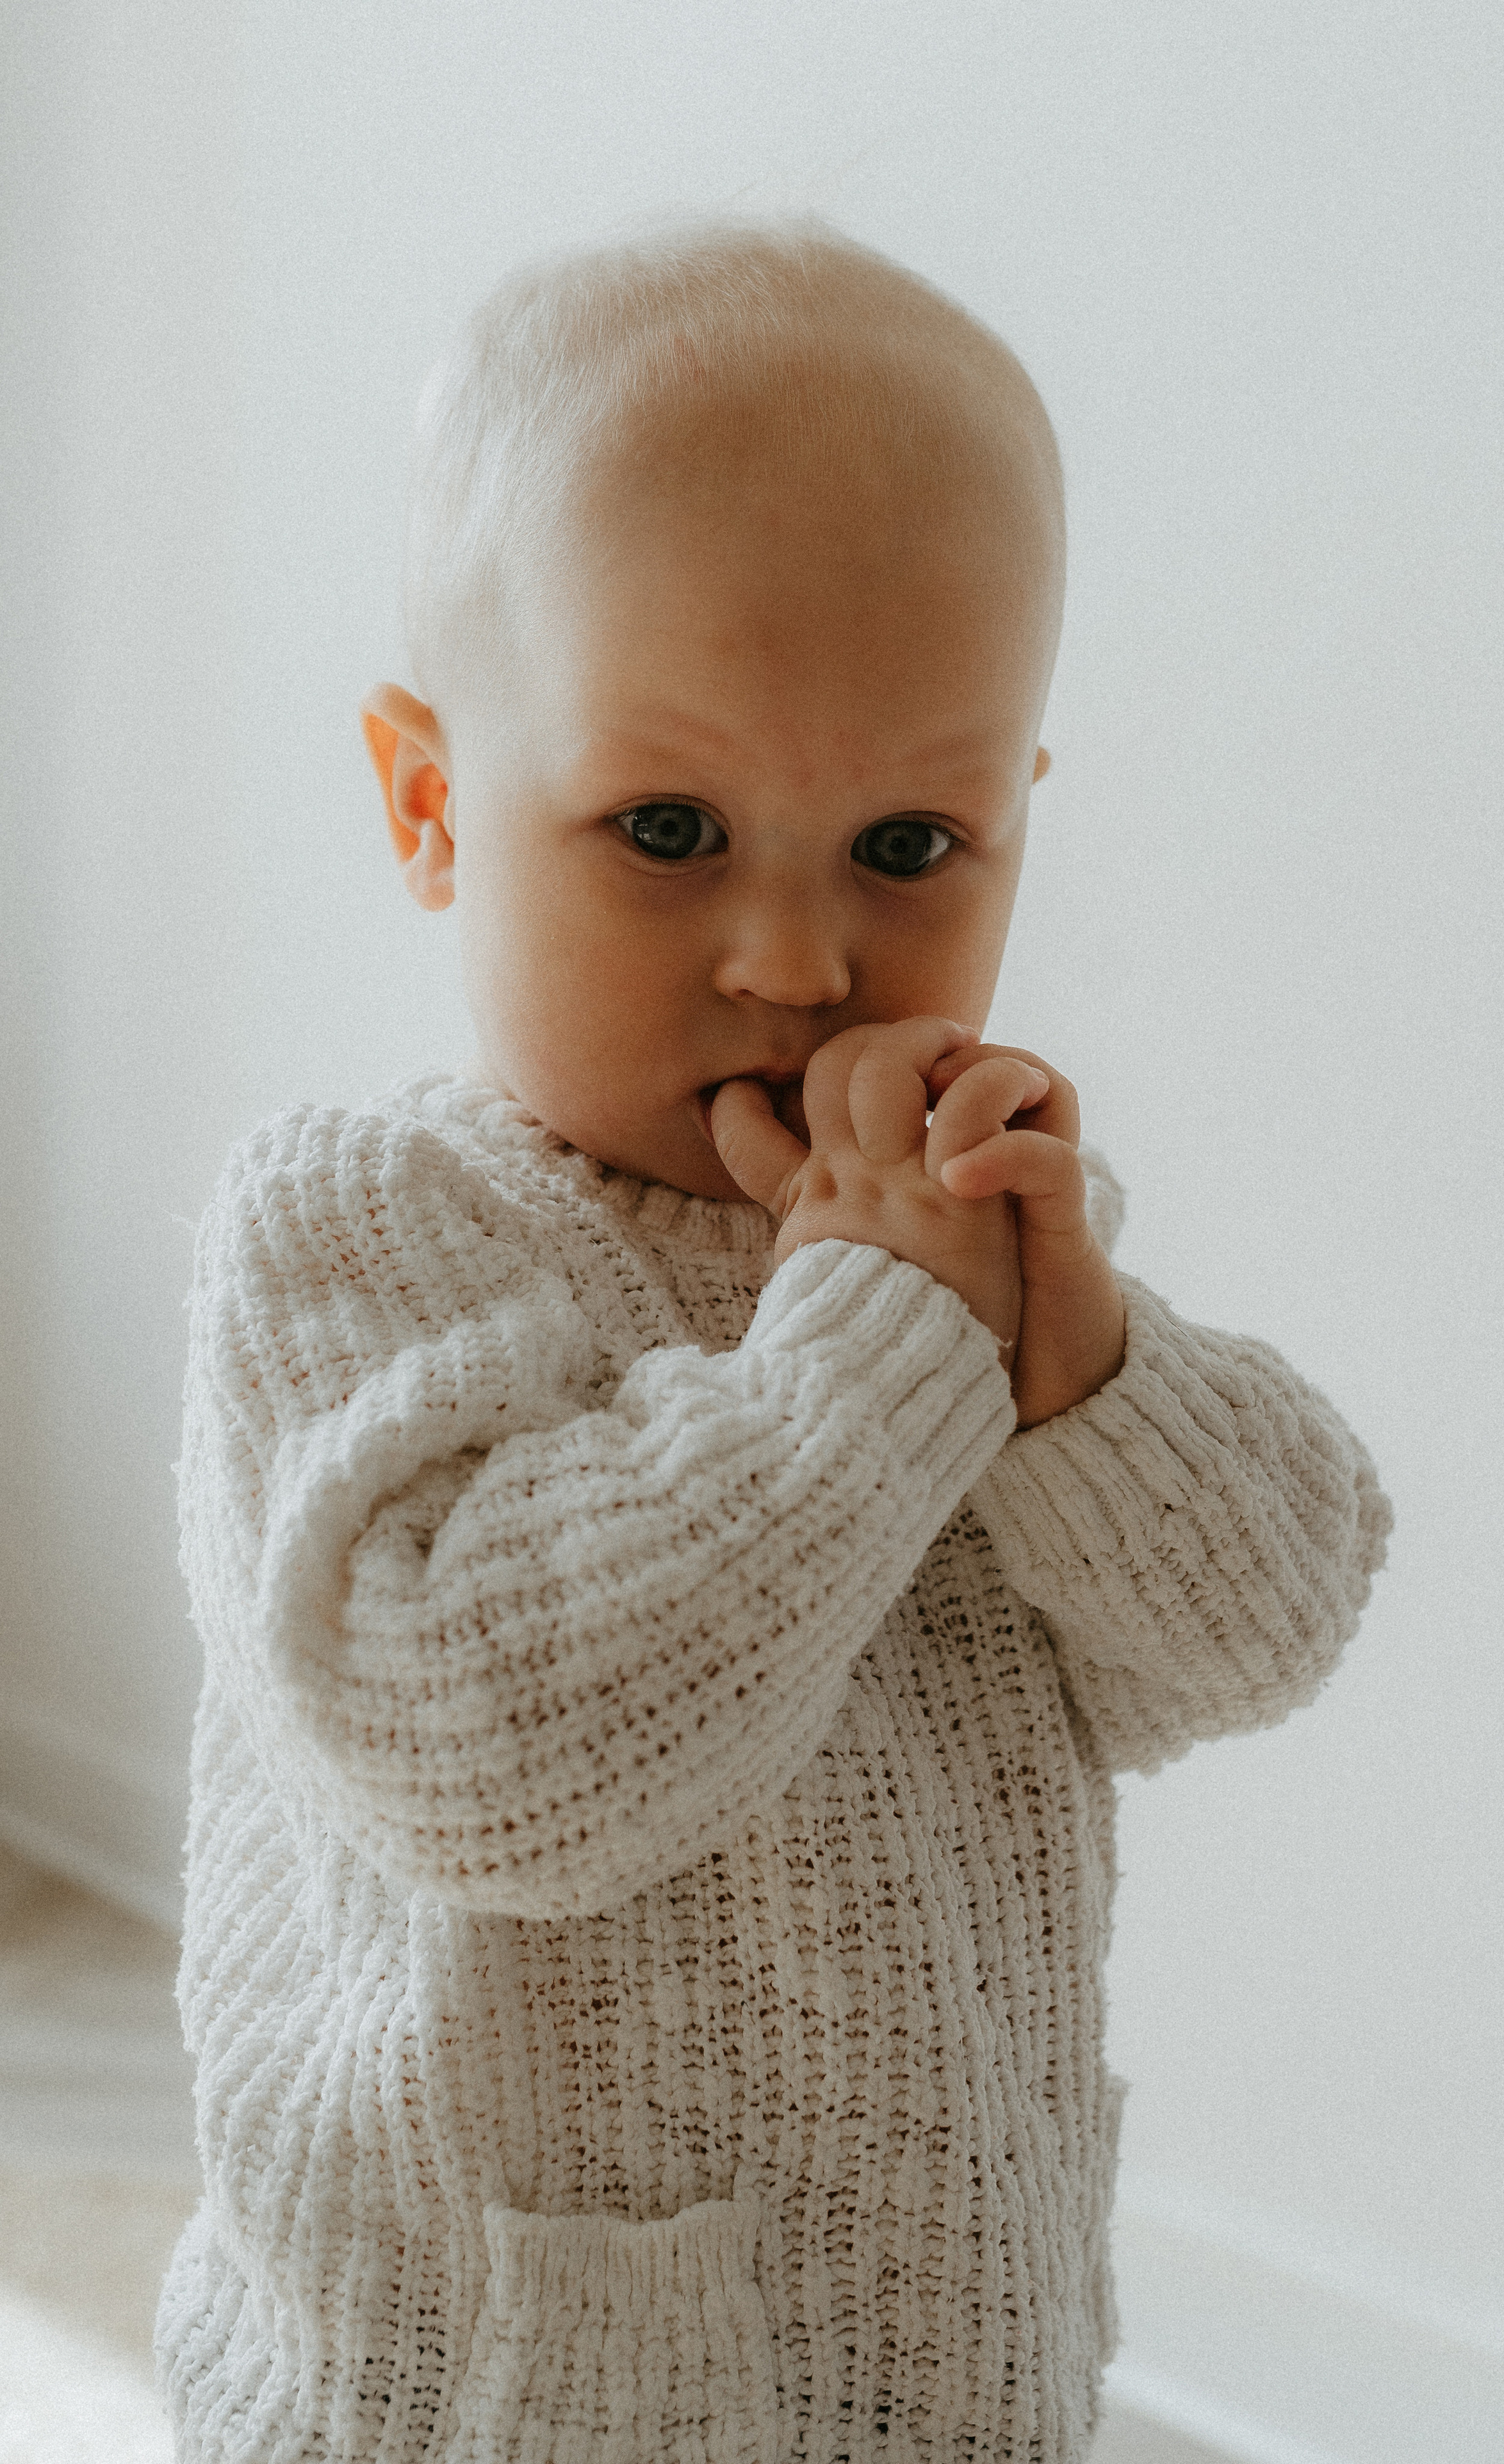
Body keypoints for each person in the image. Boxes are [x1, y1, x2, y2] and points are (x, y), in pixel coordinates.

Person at [157, 216, 1393, 2463]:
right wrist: (883, 1344)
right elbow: (490, 1752)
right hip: (480, 2394)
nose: (802, 960)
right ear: (434, 808)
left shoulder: (963, 1236)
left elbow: (1254, 1632)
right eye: (669, 828)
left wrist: (1084, 1375)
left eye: (910, 842)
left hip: (950, 2359)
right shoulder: (368, 1232)